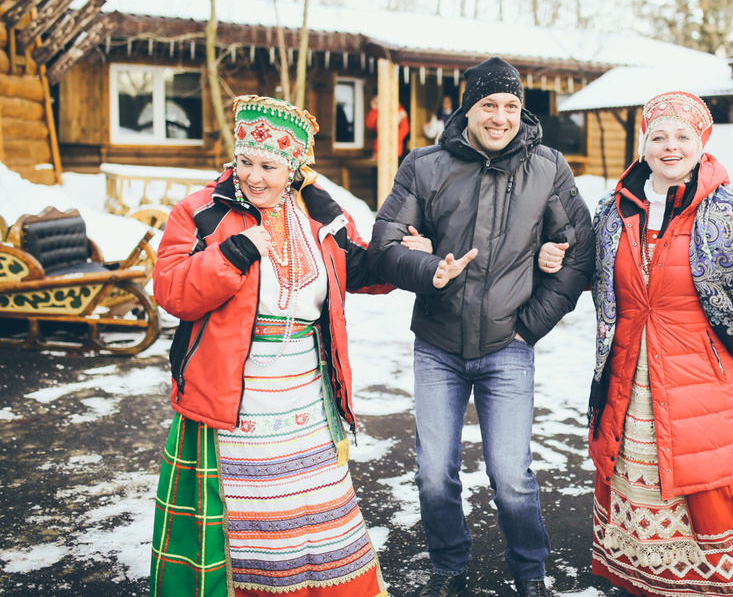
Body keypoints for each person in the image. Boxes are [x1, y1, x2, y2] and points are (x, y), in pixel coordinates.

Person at [149, 95, 430, 597]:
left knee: (316, 516)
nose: (253, 177)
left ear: (295, 165)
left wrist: (406, 261)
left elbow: (358, 267)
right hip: (232, 399)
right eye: (245, 162)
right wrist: (233, 253)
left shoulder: (318, 210)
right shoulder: (202, 212)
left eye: (269, 166)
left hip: (305, 393)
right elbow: (172, 291)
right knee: (250, 520)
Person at [566, 90, 733, 597]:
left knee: (705, 481)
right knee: (633, 473)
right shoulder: (613, 210)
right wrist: (554, 261)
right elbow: (586, 275)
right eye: (658, 136)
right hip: (626, 365)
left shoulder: (730, 208)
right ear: (643, 145)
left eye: (683, 136)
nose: (670, 146)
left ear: (702, 144)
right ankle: (652, 578)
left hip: (696, 372)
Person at [367, 57, 596, 597]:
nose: (500, 117)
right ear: (466, 107)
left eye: (511, 106)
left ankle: (530, 572)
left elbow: (582, 253)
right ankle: (449, 566)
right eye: (488, 105)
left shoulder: (548, 167)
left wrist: (531, 325)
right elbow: (383, 245)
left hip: (508, 346)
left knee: (513, 477)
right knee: (433, 473)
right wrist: (430, 270)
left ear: (522, 110)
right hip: (438, 345)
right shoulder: (423, 166)